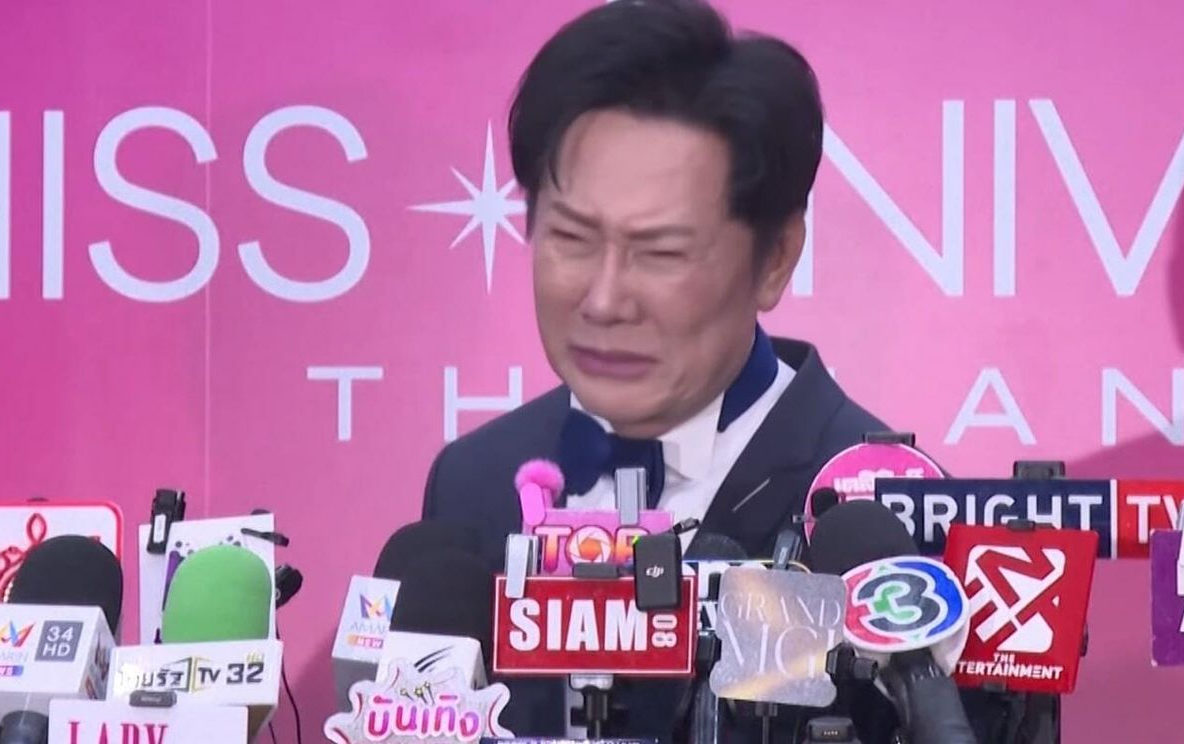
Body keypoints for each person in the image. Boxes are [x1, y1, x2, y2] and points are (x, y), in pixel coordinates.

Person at [420, 1, 994, 741]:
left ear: (775, 258)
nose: (604, 299)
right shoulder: (473, 481)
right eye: (571, 237)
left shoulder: (888, 516)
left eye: (661, 253)